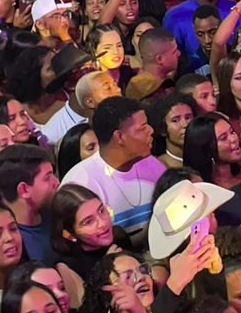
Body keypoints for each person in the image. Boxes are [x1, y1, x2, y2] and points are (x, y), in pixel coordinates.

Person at [61, 98, 166, 252]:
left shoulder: (153, 165)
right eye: (142, 127)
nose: (150, 130)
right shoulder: (80, 183)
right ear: (119, 137)